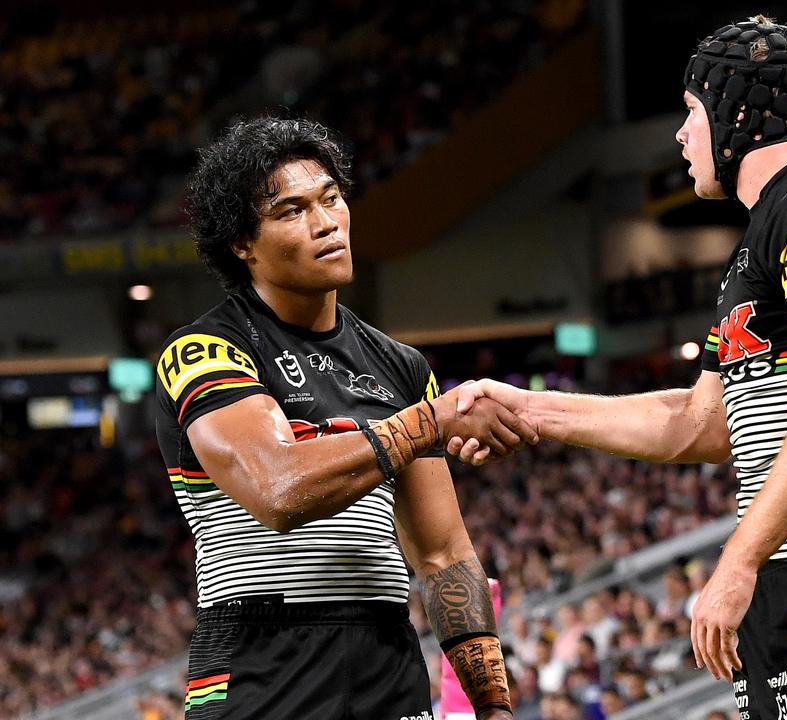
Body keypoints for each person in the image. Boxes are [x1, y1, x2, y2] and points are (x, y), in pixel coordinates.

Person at [449, 15, 787, 720]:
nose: (682, 137)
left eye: (691, 114)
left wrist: (737, 561)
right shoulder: (762, 237)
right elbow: (698, 423)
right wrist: (525, 409)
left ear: (738, 112)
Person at [155, 116, 536, 719]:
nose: (326, 222)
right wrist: (427, 424)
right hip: (263, 659)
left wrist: (492, 704)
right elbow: (277, 488)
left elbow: (443, 555)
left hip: (389, 659)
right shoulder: (205, 350)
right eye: (291, 210)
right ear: (242, 242)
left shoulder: (403, 367)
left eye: (332, 199)